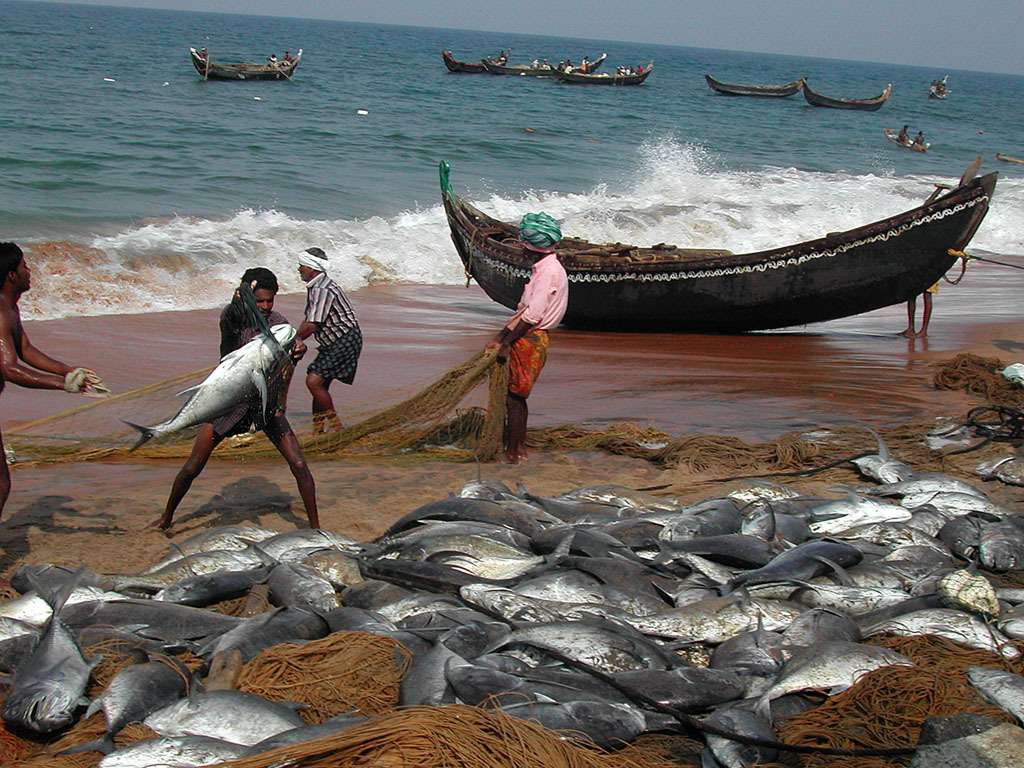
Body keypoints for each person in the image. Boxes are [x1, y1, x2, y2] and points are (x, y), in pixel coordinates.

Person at [149, 267, 318, 530]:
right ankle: (167, 517)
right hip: (229, 405)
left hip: (265, 406)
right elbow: (230, 319)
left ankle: (316, 527)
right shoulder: (234, 319)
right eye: (259, 300)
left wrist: (298, 349)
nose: (265, 306)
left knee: (298, 464)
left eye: (269, 300)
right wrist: (242, 297)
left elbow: (290, 352)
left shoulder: (278, 322)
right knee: (193, 466)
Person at [0, 243, 107, 520]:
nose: (29, 270)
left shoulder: (10, 308)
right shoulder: (0, 313)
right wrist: (64, 385)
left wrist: (66, 370)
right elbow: (9, 369)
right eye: (24, 266)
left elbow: (26, 350)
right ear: (12, 275)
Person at [484, 213, 568, 464]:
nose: (520, 249)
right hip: (526, 336)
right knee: (515, 397)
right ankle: (516, 448)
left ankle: (514, 452)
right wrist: (501, 336)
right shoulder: (544, 268)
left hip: (530, 340)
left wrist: (507, 343)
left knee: (515, 397)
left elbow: (532, 316)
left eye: (523, 245)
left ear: (534, 248)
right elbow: (523, 311)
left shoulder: (548, 273)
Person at [296, 248, 362, 434]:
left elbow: (312, 324)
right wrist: (294, 337)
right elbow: (308, 319)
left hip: (343, 339)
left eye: (302, 266)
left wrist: (296, 339)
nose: (299, 269)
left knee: (314, 382)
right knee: (320, 385)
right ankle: (318, 431)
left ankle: (337, 428)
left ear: (312, 268)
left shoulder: (322, 289)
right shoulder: (317, 286)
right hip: (336, 341)